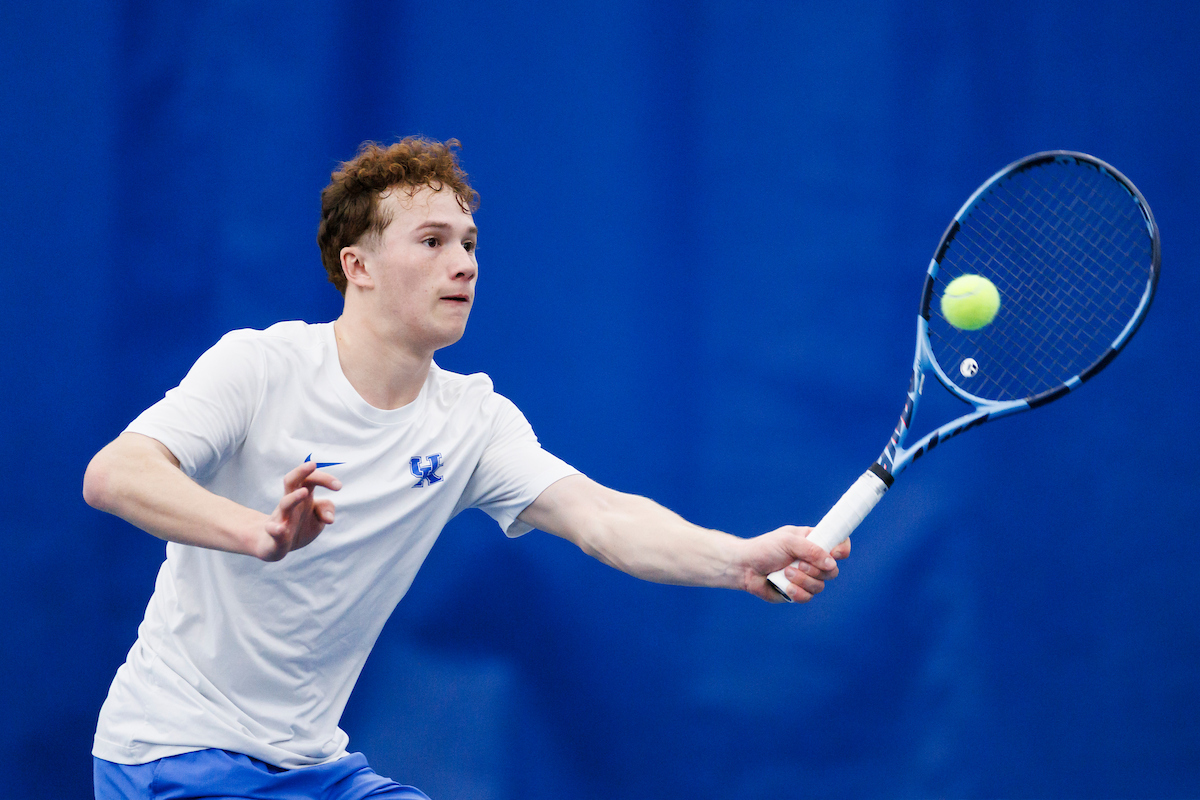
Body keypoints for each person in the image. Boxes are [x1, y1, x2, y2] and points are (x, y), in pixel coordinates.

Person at [83, 136, 850, 800]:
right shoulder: (259, 367)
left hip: (312, 765)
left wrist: (737, 558)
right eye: (431, 242)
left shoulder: (474, 422)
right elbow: (116, 473)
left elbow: (605, 519)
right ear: (359, 266)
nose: (464, 265)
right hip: (174, 752)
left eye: (470, 243)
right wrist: (258, 533)